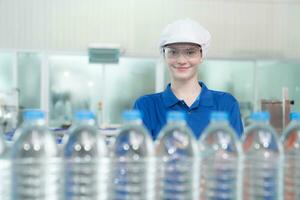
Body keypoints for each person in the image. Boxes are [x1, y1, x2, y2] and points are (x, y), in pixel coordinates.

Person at [133, 18, 243, 140]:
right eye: (173, 52)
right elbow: (138, 156)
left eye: (190, 52)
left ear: (202, 55)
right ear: (164, 56)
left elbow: (237, 156)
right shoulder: (146, 106)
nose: (181, 60)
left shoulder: (225, 104)